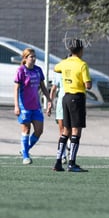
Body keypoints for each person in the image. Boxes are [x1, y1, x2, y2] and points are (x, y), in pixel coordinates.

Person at [52, 39, 92, 172]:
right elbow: (88, 85)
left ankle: (58, 162)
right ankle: (72, 163)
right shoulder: (82, 64)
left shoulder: (64, 63)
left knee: (65, 131)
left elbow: (55, 68)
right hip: (77, 97)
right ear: (80, 50)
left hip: (66, 98)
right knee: (76, 131)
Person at [14, 48, 52, 165]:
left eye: (34, 56)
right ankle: (25, 156)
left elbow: (43, 87)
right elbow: (16, 89)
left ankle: (25, 149)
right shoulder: (21, 70)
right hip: (24, 105)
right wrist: (16, 106)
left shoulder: (38, 70)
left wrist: (49, 100)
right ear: (25, 58)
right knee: (26, 129)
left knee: (39, 130)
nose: (34, 59)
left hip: (36, 106)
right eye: (31, 56)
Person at [49, 70, 70, 164]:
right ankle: (62, 155)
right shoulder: (59, 73)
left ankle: (69, 149)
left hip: (72, 103)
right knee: (62, 131)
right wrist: (50, 104)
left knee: (71, 130)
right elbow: (53, 89)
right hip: (61, 104)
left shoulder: (75, 71)